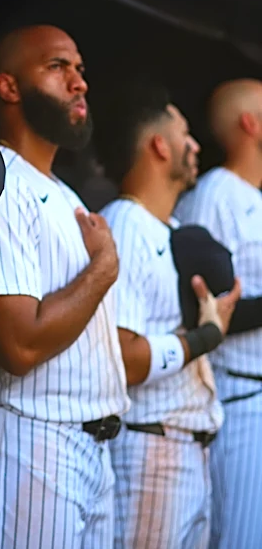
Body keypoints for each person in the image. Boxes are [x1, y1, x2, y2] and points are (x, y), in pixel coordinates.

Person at [0, 24, 129, 549]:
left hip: (90, 446)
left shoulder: (62, 190)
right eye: (58, 66)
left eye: (79, 69)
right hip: (31, 441)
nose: (79, 82)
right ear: (8, 87)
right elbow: (18, 344)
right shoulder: (0, 179)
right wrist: (103, 267)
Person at [93, 82, 239, 549]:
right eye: (185, 134)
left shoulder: (169, 228)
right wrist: (207, 335)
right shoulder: (126, 223)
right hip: (149, 448)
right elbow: (124, 358)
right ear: (159, 144)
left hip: (189, 448)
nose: (195, 145)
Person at [175, 78, 262, 549]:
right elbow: (199, 305)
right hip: (236, 399)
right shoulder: (215, 193)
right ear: (249, 122)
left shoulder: (254, 197)